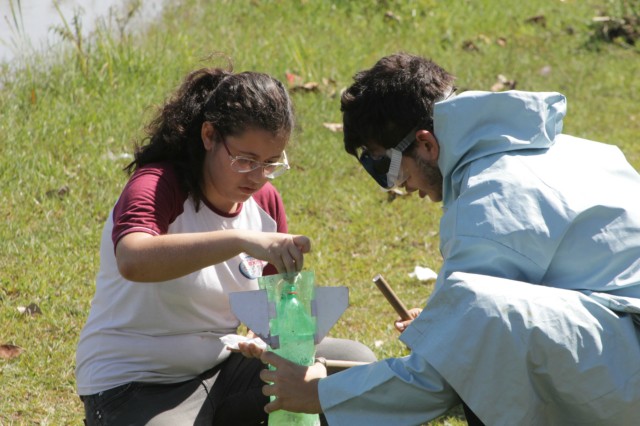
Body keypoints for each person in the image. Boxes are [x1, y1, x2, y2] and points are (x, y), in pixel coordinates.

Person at [245, 53, 640, 425]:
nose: (396, 186)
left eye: (388, 166)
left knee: (479, 327)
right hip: (618, 346)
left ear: (427, 144)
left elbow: (440, 374)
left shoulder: (492, 196)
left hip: (626, 365)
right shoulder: (566, 151)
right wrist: (448, 323)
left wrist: (318, 393)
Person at [75, 64, 376, 425]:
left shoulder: (266, 202)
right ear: (208, 136)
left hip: (225, 370)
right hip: (137, 383)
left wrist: (260, 335)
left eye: (270, 163)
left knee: (359, 371)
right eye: (245, 160)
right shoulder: (158, 185)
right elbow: (133, 259)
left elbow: (271, 310)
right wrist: (238, 240)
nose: (258, 177)